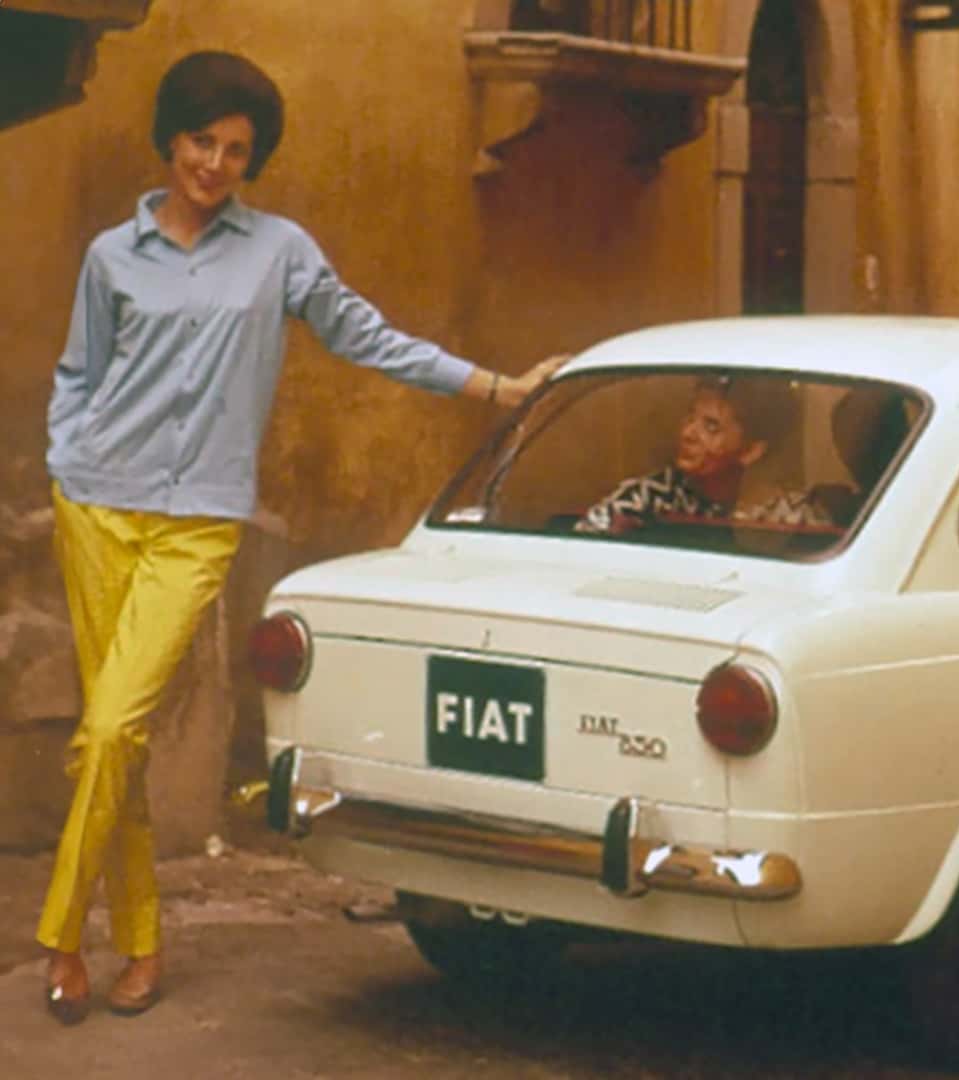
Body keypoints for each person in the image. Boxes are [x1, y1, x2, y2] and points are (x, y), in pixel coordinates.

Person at [37, 51, 567, 1025]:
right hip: (97, 506)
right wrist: (66, 458)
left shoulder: (278, 251)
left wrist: (495, 387)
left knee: (112, 728)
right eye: (203, 141)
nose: (216, 163)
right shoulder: (114, 255)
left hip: (198, 520)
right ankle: (142, 942)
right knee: (112, 745)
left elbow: (367, 335)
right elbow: (80, 371)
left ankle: (65, 933)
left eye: (237, 150)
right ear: (173, 139)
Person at [574, 375, 832, 535]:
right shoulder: (648, 496)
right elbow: (581, 545)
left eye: (711, 427)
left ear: (752, 451)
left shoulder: (793, 515)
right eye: (689, 417)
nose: (687, 433)